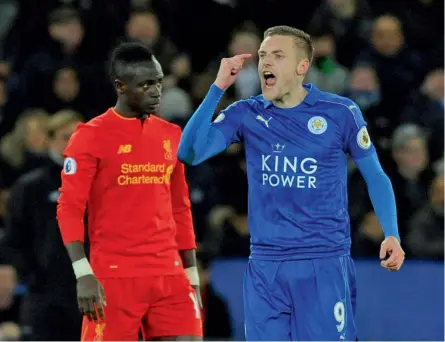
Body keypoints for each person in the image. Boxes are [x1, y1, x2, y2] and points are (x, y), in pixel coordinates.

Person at [178, 26, 405, 341]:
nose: (265, 63)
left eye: (277, 55)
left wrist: (391, 233)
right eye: (262, 56)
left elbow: (376, 176)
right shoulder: (246, 113)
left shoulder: (340, 112)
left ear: (302, 67)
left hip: (323, 262)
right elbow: (188, 153)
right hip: (265, 267)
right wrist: (218, 87)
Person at [56, 42, 202, 341]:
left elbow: (180, 208)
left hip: (169, 274)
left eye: (159, 82)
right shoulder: (90, 136)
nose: (156, 91)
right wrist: (83, 272)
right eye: (146, 84)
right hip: (114, 275)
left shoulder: (171, 135)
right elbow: (70, 207)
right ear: (121, 87)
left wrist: (192, 277)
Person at [0, 110, 83, 340]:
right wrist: (26, 274)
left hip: (91, 295)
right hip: (45, 297)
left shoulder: (101, 185)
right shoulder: (29, 187)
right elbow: (13, 239)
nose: (74, 144)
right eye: (66, 137)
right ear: (50, 140)